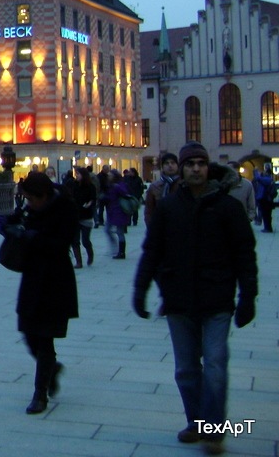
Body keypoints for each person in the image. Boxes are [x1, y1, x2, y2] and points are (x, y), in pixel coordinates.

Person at [133, 141, 258, 454]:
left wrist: (248, 297)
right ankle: (197, 422)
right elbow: (152, 250)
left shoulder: (228, 207)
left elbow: (245, 254)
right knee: (186, 369)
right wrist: (141, 288)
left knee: (215, 364)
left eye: (201, 163)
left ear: (208, 167)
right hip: (179, 299)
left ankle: (213, 430)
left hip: (217, 298)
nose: (196, 169)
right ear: (183, 169)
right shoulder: (169, 208)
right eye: (190, 164)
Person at [0, 171, 78, 415]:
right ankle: (51, 369)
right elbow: (16, 217)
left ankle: (40, 393)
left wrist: (31, 237)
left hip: (56, 281)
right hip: (32, 279)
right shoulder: (32, 208)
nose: (28, 203)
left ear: (44, 195)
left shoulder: (65, 208)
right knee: (29, 334)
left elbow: (62, 243)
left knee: (45, 339)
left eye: (31, 199)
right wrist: (4, 224)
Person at [144, 152, 179, 227]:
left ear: (177, 165)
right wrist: (152, 228)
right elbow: (149, 210)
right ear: (162, 167)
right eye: (167, 163)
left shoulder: (184, 184)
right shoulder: (155, 186)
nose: (170, 165)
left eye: (173, 163)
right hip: (160, 227)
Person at [70, 166, 96, 268]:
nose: (76, 176)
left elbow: (93, 199)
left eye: (78, 174)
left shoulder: (90, 186)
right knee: (75, 241)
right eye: (76, 174)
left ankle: (90, 254)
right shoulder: (73, 185)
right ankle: (79, 262)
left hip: (86, 216)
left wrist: (89, 204)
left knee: (85, 240)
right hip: (75, 216)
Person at [102, 169, 131, 259]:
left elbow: (125, 194)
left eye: (110, 175)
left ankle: (121, 252)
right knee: (107, 230)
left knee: (120, 232)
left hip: (119, 211)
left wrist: (116, 188)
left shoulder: (119, 185)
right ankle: (115, 249)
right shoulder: (110, 185)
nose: (109, 176)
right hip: (112, 211)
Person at [251, 167, 275, 232]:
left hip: (265, 199)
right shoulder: (268, 179)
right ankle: (267, 227)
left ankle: (268, 228)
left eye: (264, 171)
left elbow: (258, 178)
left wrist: (256, 171)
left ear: (267, 173)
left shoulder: (267, 179)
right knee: (266, 214)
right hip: (265, 199)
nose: (263, 172)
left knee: (266, 214)